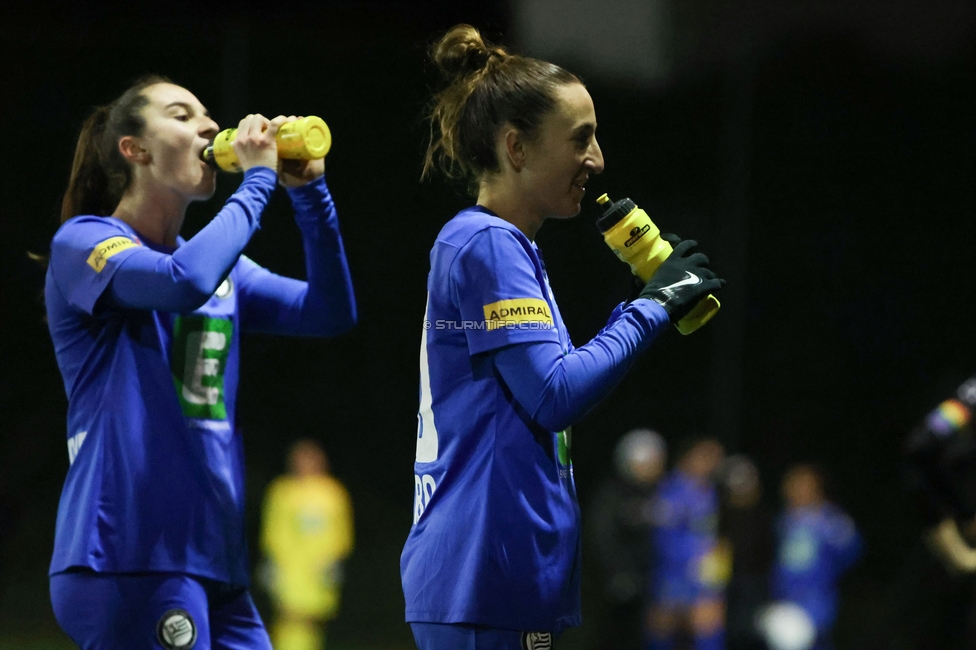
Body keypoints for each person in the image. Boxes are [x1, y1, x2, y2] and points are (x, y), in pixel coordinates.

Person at [399, 24, 724, 650]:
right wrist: (653, 305)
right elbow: (553, 393)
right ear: (516, 147)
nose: (597, 159)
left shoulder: (506, 247)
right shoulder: (487, 242)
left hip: (496, 576)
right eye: (581, 139)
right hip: (480, 574)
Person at [45, 76, 357, 649]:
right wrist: (259, 180)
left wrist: (310, 194)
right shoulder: (84, 243)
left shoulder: (223, 272)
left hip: (213, 560)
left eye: (208, 116)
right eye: (182, 115)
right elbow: (180, 282)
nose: (210, 127)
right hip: (128, 552)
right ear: (134, 150)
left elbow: (329, 311)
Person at [261, 439, 354, 650]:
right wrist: (272, 563)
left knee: (312, 621)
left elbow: (342, 532)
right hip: (289, 569)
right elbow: (272, 530)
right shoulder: (282, 490)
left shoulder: (333, 492)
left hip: (319, 570)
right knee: (290, 618)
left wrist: (335, 560)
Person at [588, 429, 668, 650]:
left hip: (654, 584)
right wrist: (617, 572)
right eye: (649, 461)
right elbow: (601, 535)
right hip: (622, 586)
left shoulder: (663, 492)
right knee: (617, 636)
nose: (655, 466)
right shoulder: (613, 494)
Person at [647, 437, 728, 650]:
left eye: (716, 458)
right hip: (672, 574)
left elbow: (712, 538)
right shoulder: (671, 489)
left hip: (705, 575)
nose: (713, 463)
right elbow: (662, 537)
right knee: (662, 630)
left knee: (709, 629)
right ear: (689, 457)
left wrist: (715, 580)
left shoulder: (711, 492)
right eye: (707, 456)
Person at [771, 465, 862, 650]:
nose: (799, 491)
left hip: (817, 601)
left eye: (805, 485)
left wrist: (827, 577)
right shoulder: (783, 521)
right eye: (795, 486)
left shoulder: (830, 518)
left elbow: (852, 551)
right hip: (785, 599)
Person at [717, 455, 775, 650]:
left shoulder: (766, 516)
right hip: (725, 588)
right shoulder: (718, 515)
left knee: (754, 637)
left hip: (757, 588)